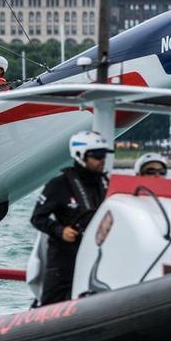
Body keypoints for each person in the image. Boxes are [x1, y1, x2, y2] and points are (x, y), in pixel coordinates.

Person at [29, 130, 110, 305]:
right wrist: (60, 230)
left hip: (94, 257)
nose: (102, 160)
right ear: (81, 156)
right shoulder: (59, 185)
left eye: (104, 155)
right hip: (63, 260)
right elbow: (37, 218)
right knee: (52, 304)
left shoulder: (104, 183)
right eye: (97, 156)